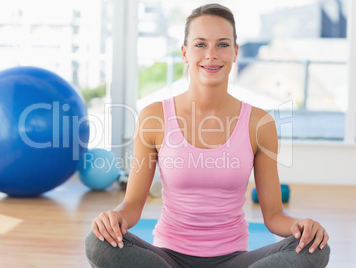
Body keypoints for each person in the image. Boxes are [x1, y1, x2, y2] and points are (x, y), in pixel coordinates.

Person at [85, 3, 330, 268]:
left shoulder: (260, 123)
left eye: (222, 45)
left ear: (235, 52)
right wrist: (113, 217)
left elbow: (273, 215)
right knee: (97, 242)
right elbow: (131, 205)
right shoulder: (153, 117)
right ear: (185, 53)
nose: (211, 54)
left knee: (316, 248)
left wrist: (301, 226)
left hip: (235, 260)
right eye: (200, 44)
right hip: (167, 259)